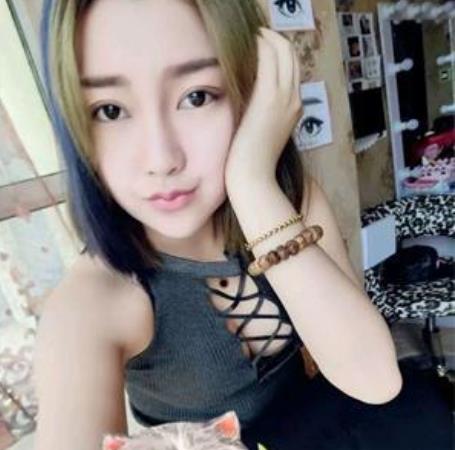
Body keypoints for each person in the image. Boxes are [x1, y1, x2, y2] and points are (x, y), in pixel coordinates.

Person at [33, 1, 452, 449]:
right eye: (110, 110)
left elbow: (374, 378)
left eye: (197, 96)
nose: (161, 159)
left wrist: (252, 183)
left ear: (250, 92)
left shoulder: (287, 198)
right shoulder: (91, 304)